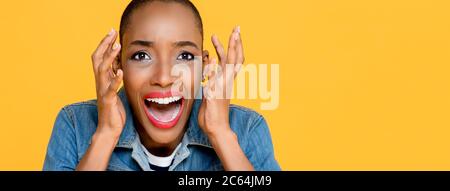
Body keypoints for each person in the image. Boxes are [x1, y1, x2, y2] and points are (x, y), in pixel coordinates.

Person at [43, 0, 280, 171]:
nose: (164, 77)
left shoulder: (247, 129)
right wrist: (105, 135)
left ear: (204, 66)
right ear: (117, 64)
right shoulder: (75, 125)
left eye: (185, 56)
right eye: (142, 56)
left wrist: (221, 134)